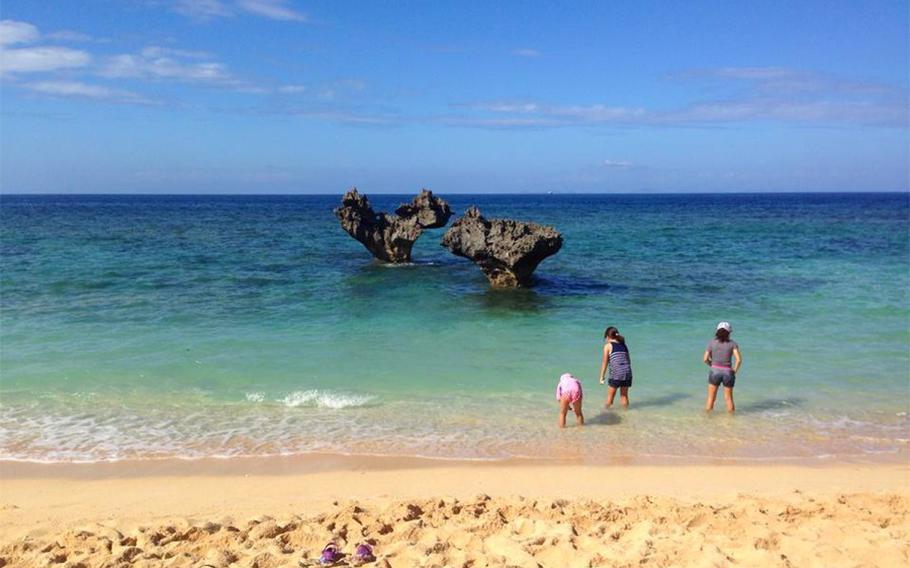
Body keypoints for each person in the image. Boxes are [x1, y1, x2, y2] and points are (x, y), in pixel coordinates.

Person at [704, 321, 742, 412]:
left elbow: (705, 359)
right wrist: (734, 371)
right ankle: (731, 421)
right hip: (728, 372)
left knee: (711, 398)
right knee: (728, 399)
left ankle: (707, 420)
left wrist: (712, 365)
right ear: (729, 332)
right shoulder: (733, 344)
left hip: (714, 372)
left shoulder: (711, 343)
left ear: (717, 331)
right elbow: (739, 360)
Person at [599, 326, 633, 407]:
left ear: (607, 336)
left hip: (617, 374)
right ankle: (625, 414)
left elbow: (605, 362)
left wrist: (602, 376)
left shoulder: (608, 346)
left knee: (610, 398)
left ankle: (606, 414)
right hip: (627, 372)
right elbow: (629, 360)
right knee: (624, 396)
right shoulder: (624, 345)